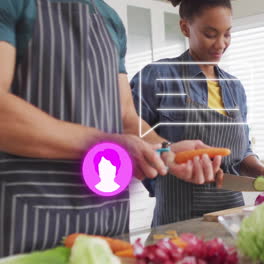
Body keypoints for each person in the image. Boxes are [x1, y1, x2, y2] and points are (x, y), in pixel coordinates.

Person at [0, 0, 221, 257]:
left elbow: (126, 116)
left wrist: (167, 151)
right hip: (31, 215)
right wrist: (102, 143)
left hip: (108, 219)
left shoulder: (109, 19)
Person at [131, 0, 264, 227]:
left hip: (232, 220)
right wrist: (168, 152)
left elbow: (242, 153)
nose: (221, 44)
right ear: (185, 28)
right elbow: (130, 134)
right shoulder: (157, 76)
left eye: (227, 34)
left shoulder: (234, 87)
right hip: (178, 223)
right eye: (210, 34)